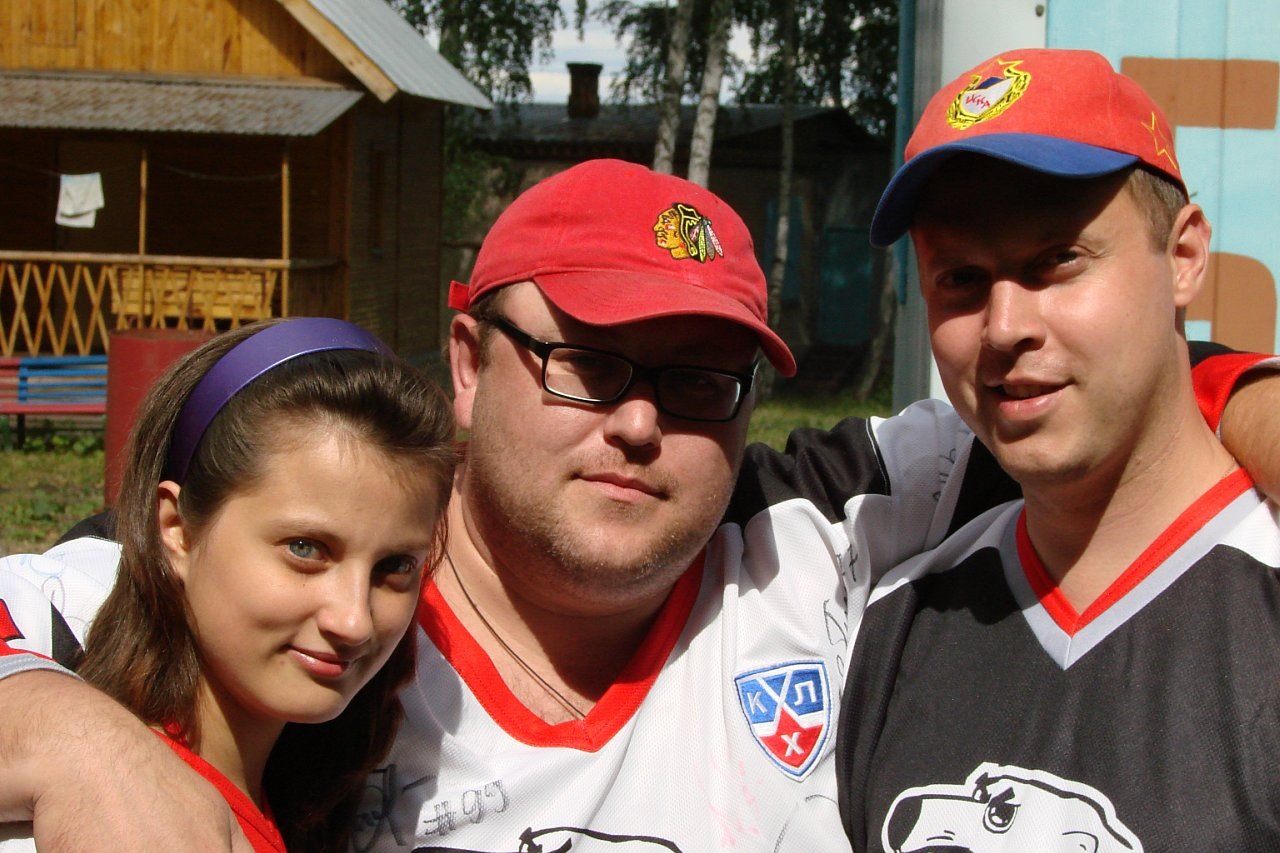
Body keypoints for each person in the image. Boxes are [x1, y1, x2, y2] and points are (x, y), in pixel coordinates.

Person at [0, 159, 1275, 853]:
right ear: (466, 362)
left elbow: (1093, 386)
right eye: (588, 362)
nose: (640, 422)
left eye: (699, 378)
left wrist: (1248, 393)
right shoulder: (332, 590)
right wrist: (77, 742)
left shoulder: (807, 537)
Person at [836, 48, 1280, 851]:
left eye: (1057, 261)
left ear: (1183, 257)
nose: (1005, 327)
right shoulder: (893, 619)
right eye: (961, 278)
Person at [0, 318, 457, 852]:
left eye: (394, 566)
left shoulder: (297, 795)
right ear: (177, 529)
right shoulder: (94, 823)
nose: (353, 621)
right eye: (304, 549)